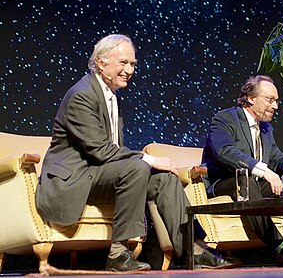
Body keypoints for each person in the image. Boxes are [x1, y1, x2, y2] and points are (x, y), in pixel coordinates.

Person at [35, 34, 233, 271]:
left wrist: (150, 164)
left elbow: (113, 153)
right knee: (139, 166)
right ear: (101, 62)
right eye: (123, 63)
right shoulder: (83, 94)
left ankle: (193, 249)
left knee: (165, 179)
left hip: (99, 176)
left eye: (132, 64)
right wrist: (148, 158)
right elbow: (99, 150)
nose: (129, 70)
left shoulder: (110, 96)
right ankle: (118, 253)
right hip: (74, 179)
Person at [201, 74, 283, 266]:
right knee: (246, 182)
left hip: (252, 184)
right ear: (250, 98)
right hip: (223, 182)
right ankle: (278, 246)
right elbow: (223, 151)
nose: (275, 106)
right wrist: (262, 170)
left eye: (276, 101)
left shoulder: (266, 129)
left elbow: (275, 156)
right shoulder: (225, 118)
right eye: (270, 100)